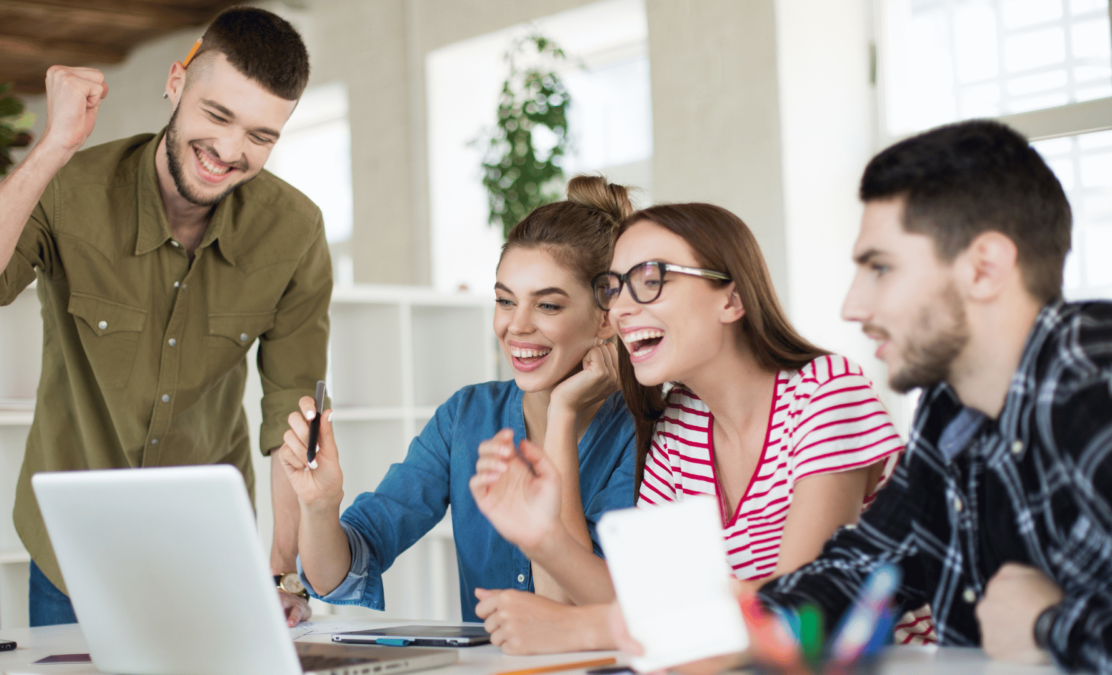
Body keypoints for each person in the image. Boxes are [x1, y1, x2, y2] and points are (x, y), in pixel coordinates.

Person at [0, 7, 329, 627]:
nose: (228, 150)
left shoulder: (295, 231)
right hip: (71, 555)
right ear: (176, 82)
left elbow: (294, 426)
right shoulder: (68, 191)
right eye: (217, 115)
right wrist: (54, 146)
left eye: (260, 136)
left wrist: (279, 570)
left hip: (207, 553)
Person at [747, 119, 1112, 673]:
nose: (852, 307)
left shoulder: (1092, 384)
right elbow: (866, 567)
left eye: (880, 268)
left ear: (984, 268)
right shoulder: (952, 411)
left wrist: (1046, 624)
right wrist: (744, 626)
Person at [469, 201, 905, 654]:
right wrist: (544, 538)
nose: (619, 310)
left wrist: (580, 628)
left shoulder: (827, 392)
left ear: (731, 299)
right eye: (614, 288)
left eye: (651, 280)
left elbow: (797, 611)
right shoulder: (683, 422)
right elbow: (647, 606)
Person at [274, 176, 639, 621]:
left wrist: (563, 416)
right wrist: (319, 505)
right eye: (505, 301)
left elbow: (568, 609)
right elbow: (336, 576)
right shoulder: (465, 417)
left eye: (547, 305)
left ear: (606, 319)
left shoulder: (643, 433)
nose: (516, 326)